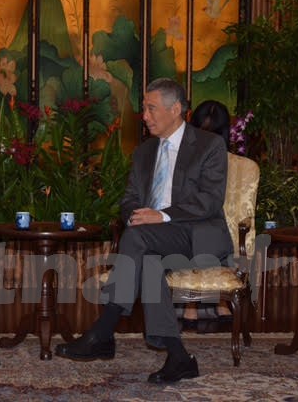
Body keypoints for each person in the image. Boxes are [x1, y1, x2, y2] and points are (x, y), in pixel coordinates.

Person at [55, 78, 233, 384]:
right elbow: (129, 200)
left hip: (196, 235)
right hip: (152, 239)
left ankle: (103, 330)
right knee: (148, 259)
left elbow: (209, 201)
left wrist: (160, 216)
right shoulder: (144, 152)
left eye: (151, 109)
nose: (145, 116)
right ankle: (179, 357)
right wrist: (137, 216)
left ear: (175, 109)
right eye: (144, 109)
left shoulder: (209, 145)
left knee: (139, 238)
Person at [183, 99, 233, 327]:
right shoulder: (183, 153)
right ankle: (193, 305)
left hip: (215, 216)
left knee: (208, 232)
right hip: (188, 213)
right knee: (197, 231)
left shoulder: (226, 158)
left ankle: (216, 302)